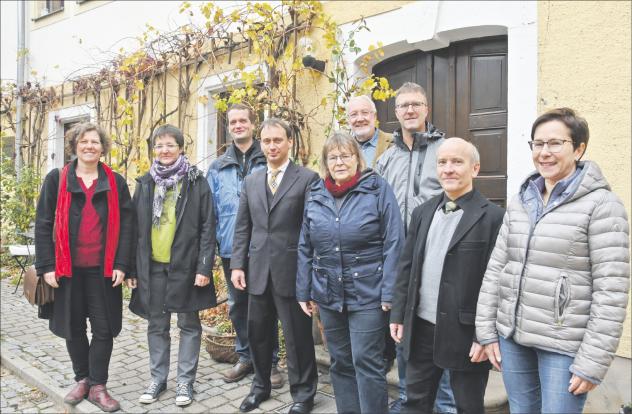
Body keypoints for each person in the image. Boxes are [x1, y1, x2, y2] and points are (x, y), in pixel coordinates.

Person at [476, 108, 630, 413]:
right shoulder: (523, 198)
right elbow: (497, 267)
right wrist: (486, 329)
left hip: (563, 345)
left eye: (555, 143)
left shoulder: (602, 205)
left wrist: (593, 360)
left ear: (579, 148)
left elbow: (611, 290)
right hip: (514, 338)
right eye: (538, 144)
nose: (544, 152)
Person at [390, 138, 504, 413]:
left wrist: (483, 335)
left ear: (474, 169)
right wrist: (398, 314)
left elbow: (499, 282)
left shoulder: (493, 218)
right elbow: (407, 267)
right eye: (442, 162)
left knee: (467, 405)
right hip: (421, 328)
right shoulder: (422, 213)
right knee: (416, 401)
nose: (448, 169)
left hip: (466, 333)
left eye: (457, 162)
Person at [296, 132, 404, 413]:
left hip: (368, 292)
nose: (340, 162)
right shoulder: (316, 192)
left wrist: (390, 291)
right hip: (328, 292)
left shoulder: (377, 188)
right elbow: (305, 244)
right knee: (341, 361)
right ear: (326, 163)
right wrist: (303, 289)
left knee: (366, 361)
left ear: (357, 159)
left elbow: (395, 242)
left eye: (346, 155)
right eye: (333, 157)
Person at [34, 122, 134, 412]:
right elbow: (43, 225)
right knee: (73, 327)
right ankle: (83, 379)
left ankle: (99, 385)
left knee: (104, 329)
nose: (89, 146)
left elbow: (128, 226)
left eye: (95, 141)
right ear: (74, 146)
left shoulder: (115, 182)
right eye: (84, 141)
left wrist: (122, 264)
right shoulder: (57, 179)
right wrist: (47, 265)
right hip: (67, 271)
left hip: (103, 271)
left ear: (103, 147)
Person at [374, 82, 456, 413]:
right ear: (396, 112)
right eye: (403, 105)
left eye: (416, 104)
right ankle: (410, 401)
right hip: (399, 261)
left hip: (437, 260)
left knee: (440, 335)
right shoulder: (387, 158)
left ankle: (446, 406)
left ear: (426, 110)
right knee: (404, 334)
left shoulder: (446, 151)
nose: (410, 110)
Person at [231, 118, 319, 414]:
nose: (271, 146)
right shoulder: (252, 180)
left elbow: (311, 230)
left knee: (297, 338)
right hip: (257, 271)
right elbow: (243, 226)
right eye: (266, 141)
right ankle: (260, 387)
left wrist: (309, 275)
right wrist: (237, 265)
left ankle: (304, 394)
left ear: (289, 141)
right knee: (258, 334)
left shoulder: (307, 179)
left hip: (291, 271)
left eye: (277, 140)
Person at [128, 124, 216, 407]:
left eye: (170, 145)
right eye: (159, 146)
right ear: (154, 150)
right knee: (157, 324)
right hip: (152, 267)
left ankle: (185, 382)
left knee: (189, 324)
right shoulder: (144, 183)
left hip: (187, 267)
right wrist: (131, 268)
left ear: (180, 148)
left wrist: (204, 267)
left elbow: (207, 226)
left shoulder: (195, 181)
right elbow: (132, 230)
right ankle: (158, 378)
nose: (164, 151)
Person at [206, 104, 284, 388]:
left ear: (253, 124)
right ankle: (246, 357)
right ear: (229, 127)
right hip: (230, 247)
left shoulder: (269, 159)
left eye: (243, 121)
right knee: (239, 306)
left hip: (265, 247)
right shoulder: (217, 167)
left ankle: (270, 361)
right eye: (233, 122)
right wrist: (212, 248)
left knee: (267, 305)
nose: (238, 125)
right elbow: (210, 212)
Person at [346, 95, 392, 167]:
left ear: (374, 116)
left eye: (365, 112)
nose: (360, 119)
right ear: (348, 120)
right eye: (354, 114)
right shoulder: (344, 148)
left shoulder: (394, 143)